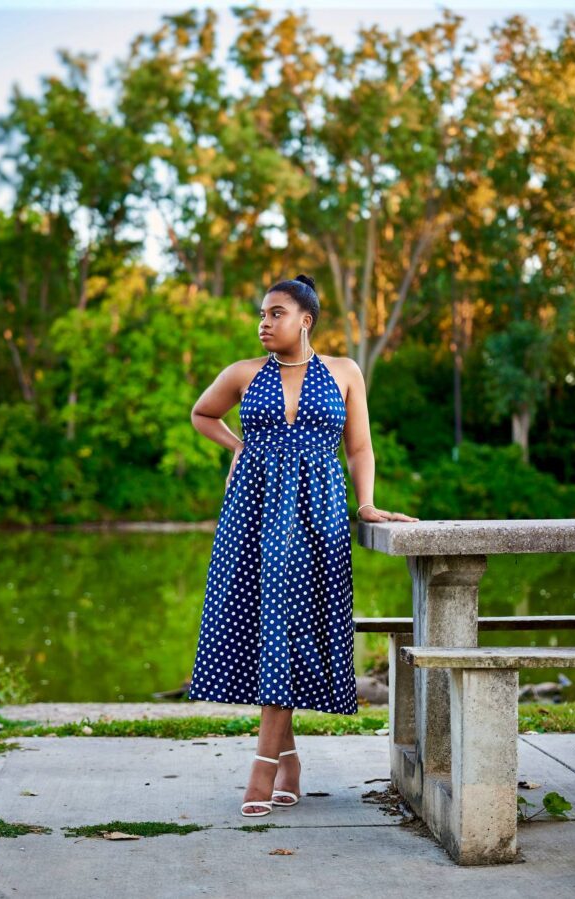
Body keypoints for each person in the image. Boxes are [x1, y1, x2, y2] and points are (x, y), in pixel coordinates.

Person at [188, 273, 419, 816]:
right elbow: (203, 413)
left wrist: (365, 503)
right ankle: (273, 766)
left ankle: (273, 763)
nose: (263, 323)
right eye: (262, 314)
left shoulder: (344, 372)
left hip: (318, 517)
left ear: (305, 319)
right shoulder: (243, 374)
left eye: (275, 313)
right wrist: (239, 447)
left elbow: (359, 448)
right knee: (269, 632)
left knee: (293, 629)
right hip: (254, 517)